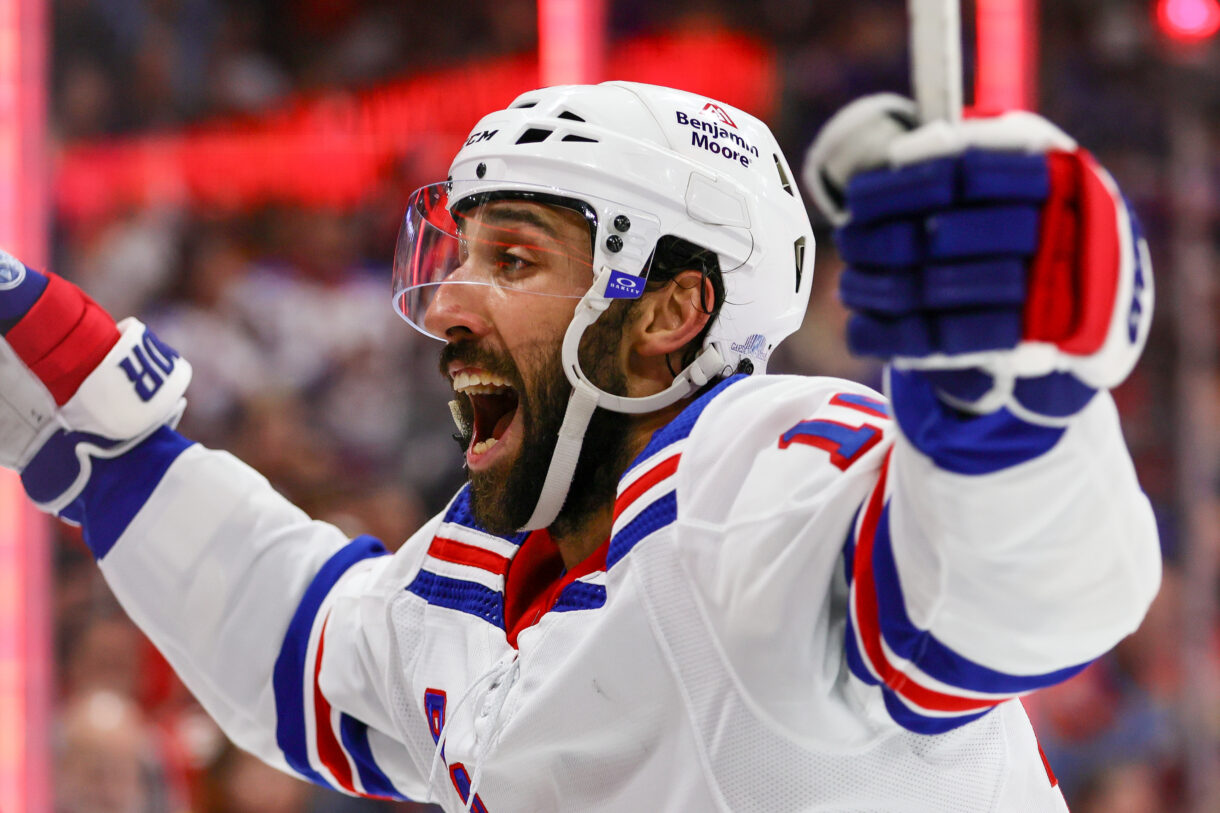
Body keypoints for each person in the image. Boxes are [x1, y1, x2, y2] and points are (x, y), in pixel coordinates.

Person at [2, 81, 1159, 811]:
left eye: (511, 260)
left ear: (670, 313)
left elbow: (1007, 597)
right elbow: (307, 643)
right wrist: (106, 448)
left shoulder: (756, 479)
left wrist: (1012, 401)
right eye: (457, 256)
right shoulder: (484, 575)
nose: (448, 304)